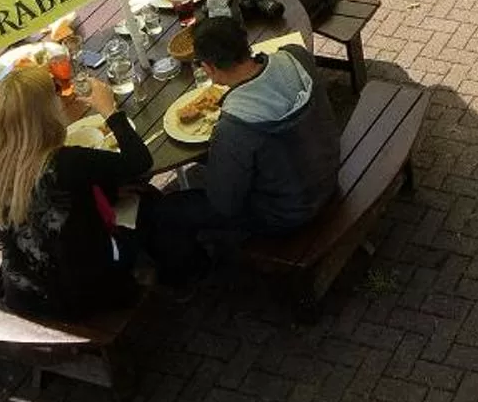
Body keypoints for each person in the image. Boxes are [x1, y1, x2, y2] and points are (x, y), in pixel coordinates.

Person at [139, 15, 340, 281]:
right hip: (326, 169)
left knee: (172, 209)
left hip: (287, 212)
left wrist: (216, 164)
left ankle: (188, 277)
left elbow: (225, 204)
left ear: (209, 68)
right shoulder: (295, 57)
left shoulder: (234, 126)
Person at [0, 65, 152, 319]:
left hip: (24, 293)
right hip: (81, 297)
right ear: (47, 111)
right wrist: (109, 110)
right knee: (146, 208)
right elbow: (140, 162)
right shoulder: (66, 162)